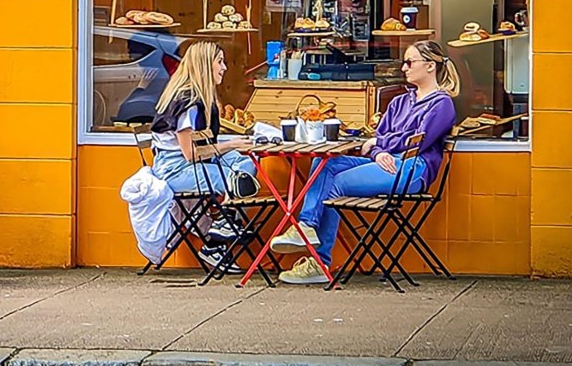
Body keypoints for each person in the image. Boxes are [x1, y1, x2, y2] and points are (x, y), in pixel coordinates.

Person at [270, 40, 460, 284]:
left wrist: (380, 146)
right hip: (387, 161)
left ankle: (318, 259)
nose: (404, 68)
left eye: (410, 62)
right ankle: (306, 228)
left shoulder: (441, 104)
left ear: (431, 66)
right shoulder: (399, 102)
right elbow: (378, 139)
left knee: (335, 183)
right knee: (323, 163)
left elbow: (415, 142)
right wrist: (378, 151)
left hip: (413, 168)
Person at [149, 40, 259, 270]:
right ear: (204, 66)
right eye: (219, 62)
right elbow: (190, 155)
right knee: (237, 180)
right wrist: (231, 144)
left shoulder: (197, 97)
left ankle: (222, 226)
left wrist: (232, 147)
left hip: (186, 163)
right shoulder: (188, 102)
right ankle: (217, 237)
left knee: (247, 164)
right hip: (175, 169)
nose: (224, 68)